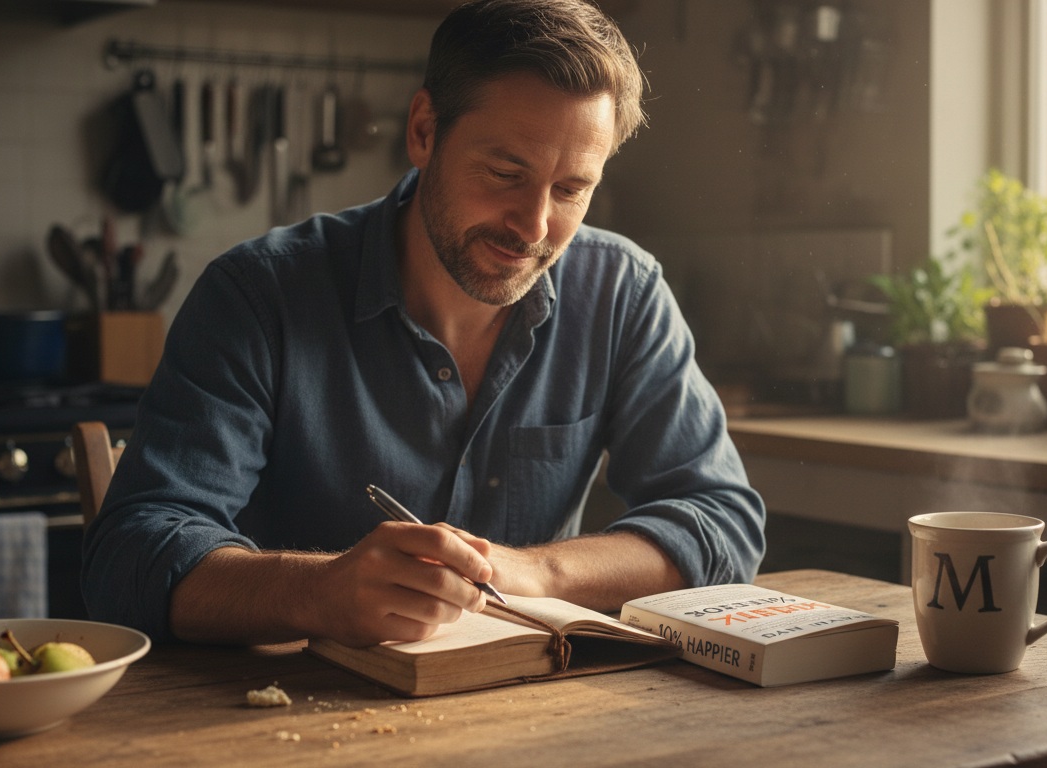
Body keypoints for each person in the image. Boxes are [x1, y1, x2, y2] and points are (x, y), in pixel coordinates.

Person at [82, 0, 766, 646]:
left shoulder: (622, 290)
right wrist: (318, 592)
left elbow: (723, 522)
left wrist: (532, 572)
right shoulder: (258, 296)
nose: (533, 227)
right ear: (423, 131)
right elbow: (129, 559)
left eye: (569, 190)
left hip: (537, 709)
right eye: (504, 172)